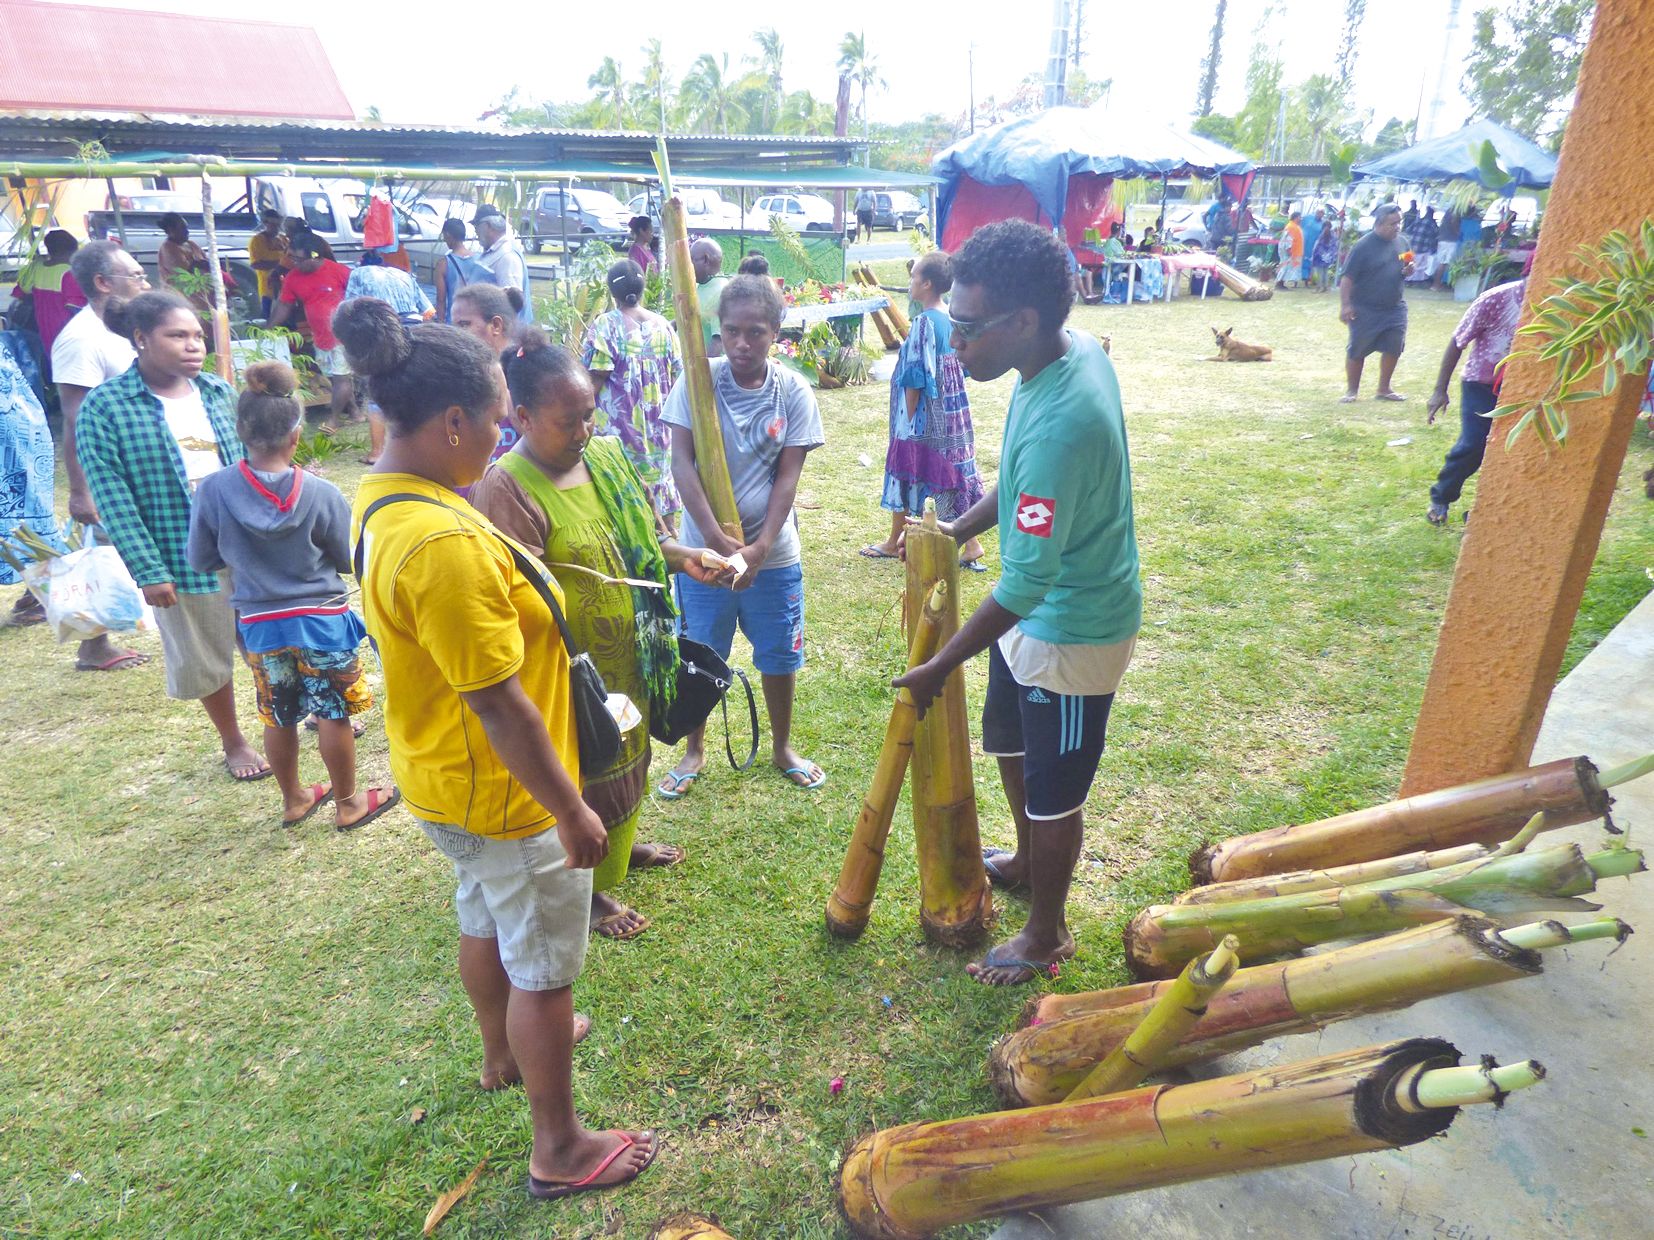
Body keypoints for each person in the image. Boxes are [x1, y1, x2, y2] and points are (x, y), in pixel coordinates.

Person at [336, 296, 657, 1199]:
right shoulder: (441, 541)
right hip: (509, 797)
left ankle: (499, 1053)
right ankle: (559, 1148)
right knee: (547, 969)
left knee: (484, 915)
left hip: (446, 783)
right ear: (451, 423)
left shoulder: (388, 496)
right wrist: (571, 809)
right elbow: (501, 704)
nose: (501, 435)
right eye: (493, 420)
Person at [891, 219, 1140, 987]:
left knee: (1054, 790)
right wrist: (958, 527)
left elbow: (1024, 583)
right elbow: (1022, 483)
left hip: (1072, 631)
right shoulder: (1062, 358)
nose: (953, 343)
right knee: (1012, 745)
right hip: (1034, 624)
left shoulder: (1065, 424)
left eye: (964, 329)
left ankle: (1047, 932)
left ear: (1022, 322)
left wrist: (938, 664)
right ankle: (1029, 863)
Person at [471, 336, 729, 937]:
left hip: (628, 656)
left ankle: (620, 850)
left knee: (628, 756)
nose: (584, 430)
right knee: (583, 770)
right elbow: (519, 596)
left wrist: (685, 555)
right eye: (568, 421)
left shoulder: (608, 460)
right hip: (568, 673)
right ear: (524, 417)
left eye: (590, 414)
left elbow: (644, 542)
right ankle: (587, 894)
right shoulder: (505, 488)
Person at [186, 360, 398, 829]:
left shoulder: (215, 491)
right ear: (296, 435)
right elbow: (348, 560)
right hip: (322, 619)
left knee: (277, 715)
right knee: (333, 713)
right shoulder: (321, 492)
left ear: (240, 429)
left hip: (260, 628)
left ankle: (295, 800)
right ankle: (347, 804)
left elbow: (201, 560)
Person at [76, 290, 270, 780]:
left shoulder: (218, 392)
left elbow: (252, 463)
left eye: (198, 336)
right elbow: (113, 496)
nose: (193, 346)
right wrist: (148, 569)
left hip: (246, 544)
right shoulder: (106, 407)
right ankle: (234, 742)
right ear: (141, 339)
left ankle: (293, 708)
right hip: (178, 551)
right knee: (204, 651)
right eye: (177, 335)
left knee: (269, 635)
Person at [657, 274, 827, 799]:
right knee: (700, 651)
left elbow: (788, 476)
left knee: (780, 653)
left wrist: (757, 549)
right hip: (701, 557)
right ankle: (694, 750)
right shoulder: (696, 382)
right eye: (731, 331)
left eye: (756, 332)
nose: (742, 344)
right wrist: (714, 538)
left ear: (776, 332)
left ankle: (782, 748)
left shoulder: (793, 391)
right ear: (718, 329)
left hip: (772, 559)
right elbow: (681, 462)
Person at [18, 241, 150, 670]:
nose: (144, 280)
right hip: (108, 471)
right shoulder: (81, 339)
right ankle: (93, 646)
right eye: (135, 275)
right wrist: (80, 491)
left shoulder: (124, 329)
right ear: (102, 282)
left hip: (138, 463)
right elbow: (75, 419)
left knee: (124, 550)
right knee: (104, 553)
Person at [862, 250, 986, 568]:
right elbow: (963, 368)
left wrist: (909, 420)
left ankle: (896, 542)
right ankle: (969, 543)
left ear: (927, 283)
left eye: (914, 276)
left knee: (913, 467)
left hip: (925, 415)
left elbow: (915, 376)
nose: (910, 282)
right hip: (952, 412)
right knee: (949, 470)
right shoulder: (951, 320)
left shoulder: (923, 323)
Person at [580, 260, 683, 528]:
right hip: (658, 432)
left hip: (618, 435)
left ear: (611, 292)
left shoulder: (606, 325)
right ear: (642, 287)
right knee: (661, 509)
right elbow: (677, 376)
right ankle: (668, 552)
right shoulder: (664, 326)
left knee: (620, 511)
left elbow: (595, 379)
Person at [1425, 275, 1529, 525]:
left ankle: (1486, 509)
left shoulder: (1555, 305)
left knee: (1513, 452)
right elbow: (1458, 340)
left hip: (1523, 390)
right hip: (1480, 384)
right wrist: (1440, 389)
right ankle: (1442, 497)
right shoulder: (1495, 299)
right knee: (1473, 445)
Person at [344, 253, 435, 466]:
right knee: (412, 388)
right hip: (413, 328)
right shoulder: (403, 274)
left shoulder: (358, 273)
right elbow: (429, 311)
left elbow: (348, 309)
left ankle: (377, 452)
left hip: (382, 330)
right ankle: (417, 448)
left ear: (362, 264)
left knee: (377, 392)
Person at [271, 233, 354, 431]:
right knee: (335, 378)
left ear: (315, 256)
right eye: (292, 258)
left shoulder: (340, 272)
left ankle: (333, 420)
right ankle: (356, 412)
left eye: (298, 259)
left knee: (341, 377)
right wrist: (268, 328)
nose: (293, 263)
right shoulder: (292, 278)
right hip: (321, 338)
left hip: (343, 337)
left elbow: (358, 298)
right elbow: (284, 306)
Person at [1338, 203, 1412, 403]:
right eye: (1392, 223)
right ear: (1379, 223)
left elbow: (1405, 265)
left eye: (1399, 222)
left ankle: (1384, 388)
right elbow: (1347, 278)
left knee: (1394, 346)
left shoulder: (1403, 242)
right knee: (1358, 348)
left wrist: (1407, 270)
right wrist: (1346, 305)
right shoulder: (1363, 246)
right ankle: (1352, 390)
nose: (1397, 227)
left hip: (1394, 307)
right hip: (1365, 308)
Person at [452, 283, 527, 463]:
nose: (456, 334)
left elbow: (547, 440)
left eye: (464, 324)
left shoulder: (528, 365)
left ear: (495, 325)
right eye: (454, 326)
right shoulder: (458, 372)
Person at [12, 230, 85, 359]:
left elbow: (20, 293)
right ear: (71, 251)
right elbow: (77, 310)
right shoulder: (69, 274)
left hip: (43, 330)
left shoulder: (36, 267)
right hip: (66, 333)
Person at [472, 204, 532, 324]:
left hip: (505, 333)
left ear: (487, 226)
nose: (475, 231)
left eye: (476, 226)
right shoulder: (494, 251)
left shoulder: (507, 256)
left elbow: (513, 303)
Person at [157, 212, 214, 316]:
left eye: (186, 227)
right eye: (182, 228)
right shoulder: (168, 248)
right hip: (184, 299)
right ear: (171, 230)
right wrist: (201, 264)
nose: (187, 231)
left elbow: (206, 263)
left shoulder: (192, 244)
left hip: (203, 298)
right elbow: (185, 273)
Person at [246, 208, 289, 320]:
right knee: (269, 318)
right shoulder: (257, 241)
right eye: (273, 224)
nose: (276, 228)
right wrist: (280, 265)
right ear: (265, 223)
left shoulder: (283, 240)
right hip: (268, 288)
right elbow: (256, 264)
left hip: (286, 287)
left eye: (278, 225)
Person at [691, 237, 728, 358]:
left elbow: (718, 342)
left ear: (706, 260)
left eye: (691, 260)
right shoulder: (700, 286)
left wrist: (701, 372)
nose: (688, 265)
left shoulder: (721, 292)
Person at [433, 218, 475, 323]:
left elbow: (441, 300)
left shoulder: (443, 264)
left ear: (448, 235)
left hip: (455, 322)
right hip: (476, 321)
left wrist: (440, 323)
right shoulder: (480, 260)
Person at [1432, 204, 1462, 292]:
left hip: (1443, 239)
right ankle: (1439, 285)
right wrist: (1458, 232)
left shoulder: (1448, 211)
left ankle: (1436, 285)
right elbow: (1454, 222)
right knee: (1446, 263)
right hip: (1450, 240)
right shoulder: (1455, 211)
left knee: (1442, 263)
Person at [1311, 216, 1341, 292]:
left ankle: (1319, 287)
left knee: (1320, 272)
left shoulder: (1321, 235)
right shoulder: (1333, 235)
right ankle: (1325, 287)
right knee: (1325, 272)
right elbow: (1335, 246)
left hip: (1320, 257)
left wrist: (1314, 255)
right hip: (1328, 257)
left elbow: (1317, 246)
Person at [1277, 212, 1305, 289]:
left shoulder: (1295, 226)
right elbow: (1288, 239)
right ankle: (1279, 283)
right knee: (1284, 267)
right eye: (1299, 217)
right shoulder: (1291, 227)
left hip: (1295, 251)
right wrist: (1289, 249)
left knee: (1288, 268)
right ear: (1295, 218)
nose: (1301, 219)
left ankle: (1282, 283)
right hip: (1289, 251)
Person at [1300, 208, 1324, 285]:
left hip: (1313, 246)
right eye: (1319, 213)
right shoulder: (1308, 218)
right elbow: (1300, 225)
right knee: (1300, 260)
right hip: (1302, 243)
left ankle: (1307, 280)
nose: (1319, 215)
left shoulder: (1322, 224)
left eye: (1321, 213)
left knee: (1310, 262)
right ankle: (1296, 279)